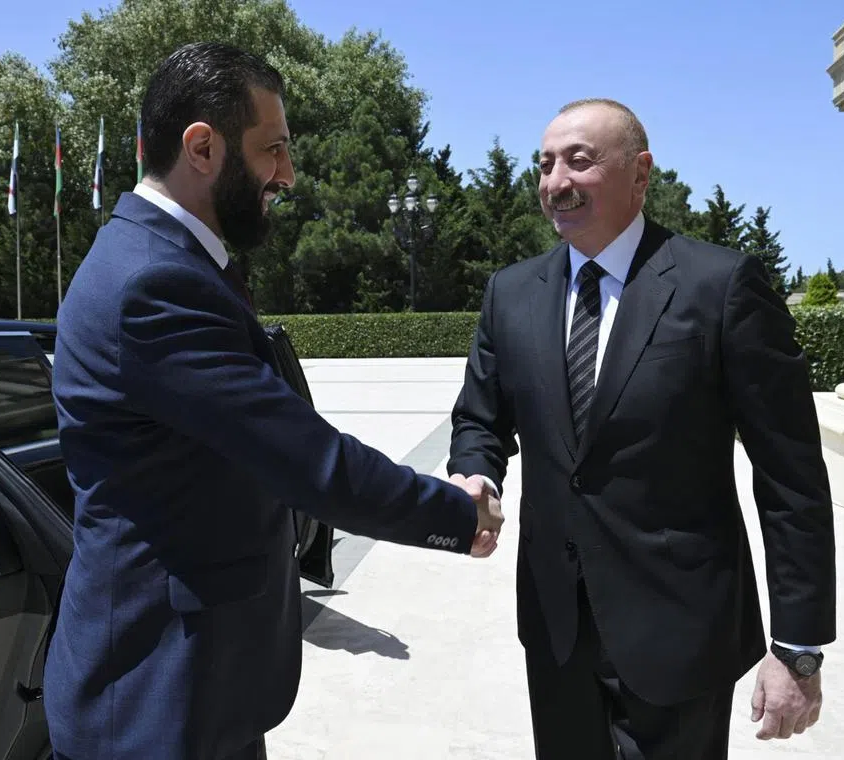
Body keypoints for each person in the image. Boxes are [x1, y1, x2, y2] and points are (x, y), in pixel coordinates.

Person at [45, 42, 502, 760]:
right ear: (202, 147)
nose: (287, 175)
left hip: (194, 690)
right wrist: (455, 513)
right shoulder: (151, 285)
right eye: (274, 150)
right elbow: (306, 460)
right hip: (155, 705)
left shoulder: (168, 261)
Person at [447, 98, 836, 759]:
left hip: (681, 630)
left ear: (640, 172)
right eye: (543, 164)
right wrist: (475, 472)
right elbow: (479, 416)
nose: (555, 181)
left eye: (579, 160)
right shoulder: (509, 294)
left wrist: (797, 649)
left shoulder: (721, 287)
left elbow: (789, 473)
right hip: (557, 628)